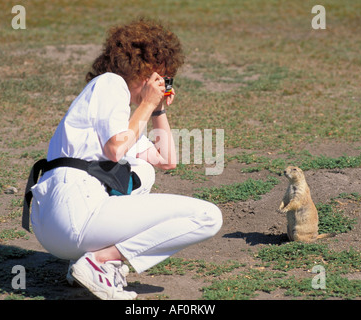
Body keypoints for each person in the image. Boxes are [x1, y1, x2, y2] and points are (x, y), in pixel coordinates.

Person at [26, 18, 223, 300]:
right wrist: (146, 103)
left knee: (144, 171)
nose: (165, 84)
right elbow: (116, 150)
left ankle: (88, 262)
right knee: (208, 217)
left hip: (53, 225)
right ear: (146, 71)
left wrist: (157, 111)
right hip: (72, 210)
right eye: (163, 78)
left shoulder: (121, 118)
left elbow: (166, 159)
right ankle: (101, 262)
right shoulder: (110, 84)